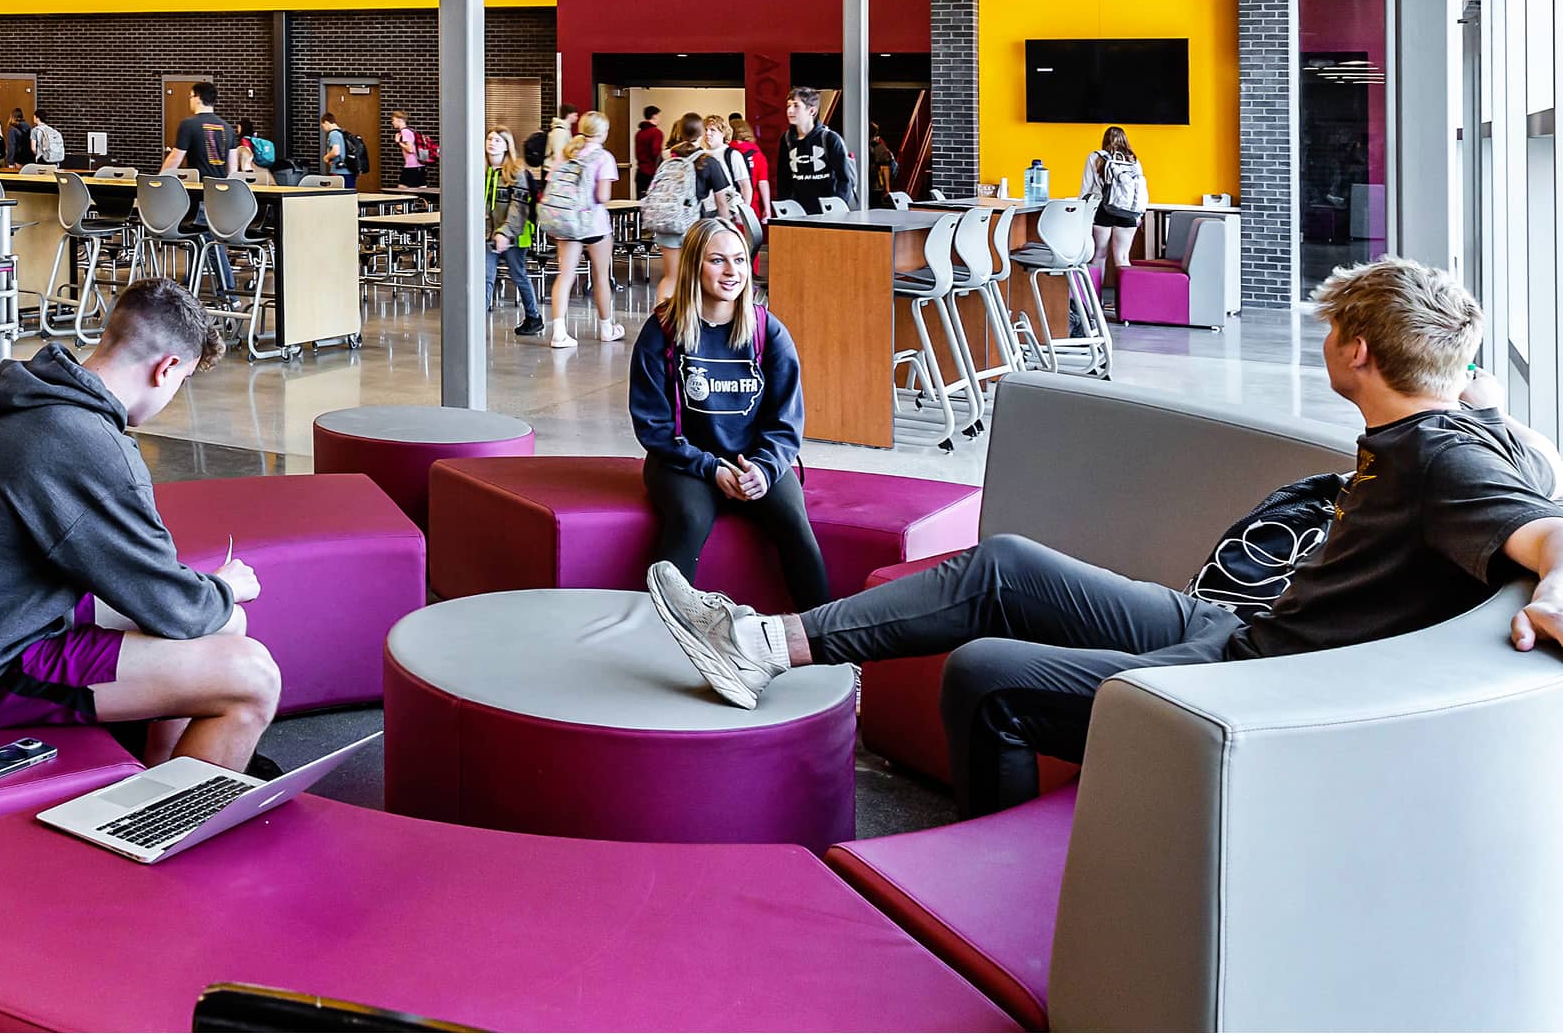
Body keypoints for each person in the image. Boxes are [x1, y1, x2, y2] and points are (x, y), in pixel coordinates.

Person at [644, 256, 1563, 817]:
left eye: (1332, 331)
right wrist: (1477, 386)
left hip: (1249, 675)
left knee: (987, 675)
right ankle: (766, 643)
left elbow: (1548, 534)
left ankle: (986, 868)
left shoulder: (1442, 457)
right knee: (1004, 564)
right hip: (1229, 628)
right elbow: (1518, 449)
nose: (1324, 341)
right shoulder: (1465, 421)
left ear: (1357, 352)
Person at [0, 279, 279, 771]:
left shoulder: (14, 399)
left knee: (224, 623)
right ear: (167, 368)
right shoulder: (86, 444)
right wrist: (223, 588)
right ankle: (170, 826)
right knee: (254, 678)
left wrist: (213, 601)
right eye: (183, 381)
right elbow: (173, 609)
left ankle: (159, 774)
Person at [632, 216, 825, 612]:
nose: (732, 271)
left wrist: (765, 469)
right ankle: (652, 635)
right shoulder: (662, 331)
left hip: (753, 461)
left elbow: (786, 421)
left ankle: (829, 643)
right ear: (693, 266)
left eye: (739, 260)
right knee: (688, 521)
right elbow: (653, 426)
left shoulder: (767, 331)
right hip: (682, 463)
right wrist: (710, 469)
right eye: (717, 260)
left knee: (795, 524)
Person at [542, 111, 623, 349]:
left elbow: (552, 186)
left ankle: (559, 332)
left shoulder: (566, 153)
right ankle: (607, 328)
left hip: (567, 223)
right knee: (601, 276)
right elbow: (602, 196)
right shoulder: (604, 157)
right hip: (594, 223)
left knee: (565, 275)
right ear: (603, 132)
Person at [644, 120, 733, 305]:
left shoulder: (666, 158)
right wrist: (725, 229)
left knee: (671, 278)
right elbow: (721, 202)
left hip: (667, 223)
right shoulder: (707, 161)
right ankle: (693, 319)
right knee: (697, 277)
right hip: (694, 226)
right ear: (700, 135)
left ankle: (661, 323)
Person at [485, 125, 544, 337]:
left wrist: (506, 232)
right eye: (490, 139)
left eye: (498, 140)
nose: (492, 143)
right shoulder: (480, 172)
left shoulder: (517, 173)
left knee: (518, 274)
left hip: (514, 235)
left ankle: (533, 316)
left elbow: (518, 207)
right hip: (486, 234)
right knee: (485, 276)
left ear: (507, 146)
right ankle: (478, 320)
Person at [1083, 126, 1149, 297]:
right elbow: (1139, 190)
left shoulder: (1096, 157)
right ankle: (1124, 304)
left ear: (1104, 140)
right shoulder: (1134, 160)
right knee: (1122, 257)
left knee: (1099, 255)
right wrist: (1139, 214)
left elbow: (1086, 189)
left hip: (1103, 209)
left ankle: (1095, 301)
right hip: (1129, 212)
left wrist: (1081, 210)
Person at [774, 86, 854, 214]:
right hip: (798, 211)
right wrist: (785, 206)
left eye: (796, 106)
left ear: (812, 111)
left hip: (827, 211)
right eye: (788, 106)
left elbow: (844, 178)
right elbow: (783, 177)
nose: (790, 111)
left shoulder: (830, 138)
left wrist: (836, 207)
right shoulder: (787, 139)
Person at [162, 82, 235, 179]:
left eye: (191, 97)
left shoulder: (188, 124)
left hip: (198, 187)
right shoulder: (228, 128)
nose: (190, 100)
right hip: (220, 188)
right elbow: (232, 168)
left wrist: (160, 179)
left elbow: (175, 158)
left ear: (198, 98)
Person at [729, 116, 771, 219]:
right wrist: (767, 208)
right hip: (752, 205)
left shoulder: (726, 152)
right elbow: (763, 182)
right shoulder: (757, 154)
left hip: (729, 204)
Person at [390, 111, 429, 189]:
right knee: (422, 190)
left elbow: (410, 149)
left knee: (402, 188)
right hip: (420, 166)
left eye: (393, 120)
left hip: (411, 166)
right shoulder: (411, 130)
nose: (392, 122)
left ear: (399, 120)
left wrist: (398, 142)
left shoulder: (405, 132)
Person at [866, 122, 899, 209]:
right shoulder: (879, 146)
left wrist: (887, 188)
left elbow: (885, 167)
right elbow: (885, 167)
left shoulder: (878, 147)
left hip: (874, 184)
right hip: (874, 184)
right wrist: (887, 188)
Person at [321, 113, 356, 188]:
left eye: (322, 126)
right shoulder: (343, 133)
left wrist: (326, 157)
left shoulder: (333, 134)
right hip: (349, 170)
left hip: (339, 171)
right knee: (349, 195)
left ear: (326, 122)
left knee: (338, 196)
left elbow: (336, 151)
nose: (323, 128)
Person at [634, 106, 665, 192]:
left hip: (640, 172)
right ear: (654, 116)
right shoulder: (656, 133)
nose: (660, 119)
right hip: (652, 172)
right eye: (659, 116)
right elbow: (656, 153)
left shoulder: (639, 133)